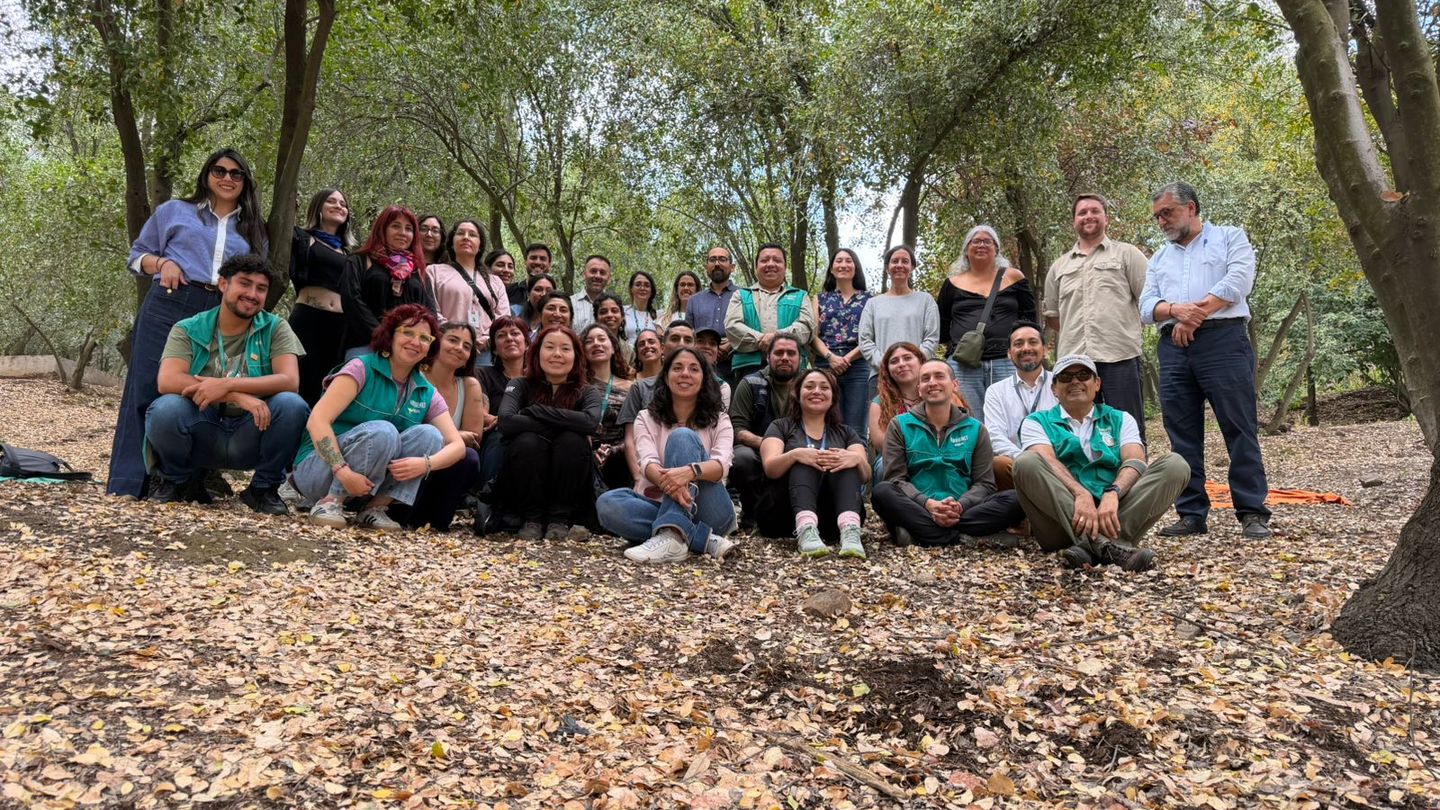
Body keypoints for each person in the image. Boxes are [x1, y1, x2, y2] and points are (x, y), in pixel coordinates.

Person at [109, 147, 270, 499]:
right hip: (172, 299)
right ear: (206, 175)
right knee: (148, 387)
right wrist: (162, 263)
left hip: (221, 309)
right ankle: (129, 483)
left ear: (245, 182)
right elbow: (137, 256)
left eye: (236, 173)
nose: (227, 178)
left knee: (206, 390)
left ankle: (185, 481)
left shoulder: (254, 229)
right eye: (219, 170)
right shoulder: (174, 211)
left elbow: (257, 277)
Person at [1140, 181, 1272, 539]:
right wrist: (1175, 313)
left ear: (1192, 208)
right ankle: (1191, 514)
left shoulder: (1230, 237)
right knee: (1181, 434)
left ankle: (1252, 512)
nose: (1162, 221)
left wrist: (1194, 316)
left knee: (1239, 426)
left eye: (1168, 212)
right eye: (1157, 216)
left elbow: (1239, 281)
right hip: (1174, 349)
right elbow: (1146, 306)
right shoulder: (1158, 258)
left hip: (1223, 342)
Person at [144, 254, 308, 514]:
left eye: (261, 288)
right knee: (165, 409)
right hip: (203, 425)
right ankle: (179, 481)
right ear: (223, 284)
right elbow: (168, 380)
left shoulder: (276, 328)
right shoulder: (188, 328)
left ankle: (262, 490)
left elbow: (289, 381)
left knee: (292, 405)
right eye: (244, 283)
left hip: (253, 428)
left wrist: (225, 385)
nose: (252, 294)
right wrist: (235, 395)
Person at [292, 305, 467, 530]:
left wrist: (425, 464)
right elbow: (317, 421)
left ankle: (374, 508)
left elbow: (457, 446)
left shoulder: (426, 390)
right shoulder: (360, 368)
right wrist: (342, 471)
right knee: (384, 431)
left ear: (429, 348)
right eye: (408, 332)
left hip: (369, 485)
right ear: (390, 335)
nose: (415, 341)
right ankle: (331, 502)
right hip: (319, 470)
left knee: (430, 435)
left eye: (424, 337)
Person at [1013, 355, 1190, 570]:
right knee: (1026, 462)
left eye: (1083, 375)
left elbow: (1135, 459)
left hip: (1115, 515)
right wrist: (1080, 493)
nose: (1075, 381)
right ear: (1054, 389)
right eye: (1066, 377)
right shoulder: (1035, 422)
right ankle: (1110, 547)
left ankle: (1088, 549)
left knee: (1176, 465)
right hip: (1060, 523)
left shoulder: (1121, 418)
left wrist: (1113, 492)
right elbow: (1046, 460)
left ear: (1097, 384)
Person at [596, 347, 736, 563]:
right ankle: (700, 539)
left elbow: (720, 466)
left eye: (693, 369)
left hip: (710, 509)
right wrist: (672, 481)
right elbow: (648, 464)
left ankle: (671, 532)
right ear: (666, 377)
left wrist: (689, 472)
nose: (685, 374)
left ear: (704, 378)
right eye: (677, 368)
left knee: (682, 437)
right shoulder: (646, 417)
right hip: (658, 502)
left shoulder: (720, 420)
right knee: (607, 503)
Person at [872, 360, 1024, 546]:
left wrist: (959, 506)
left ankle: (924, 534)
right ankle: (964, 538)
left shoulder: (976, 428)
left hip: (963, 510)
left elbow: (985, 484)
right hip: (918, 506)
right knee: (882, 492)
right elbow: (896, 479)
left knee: (1018, 498)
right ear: (919, 389)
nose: (932, 382)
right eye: (926, 378)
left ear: (955, 385)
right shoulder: (899, 425)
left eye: (939, 376)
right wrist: (928, 504)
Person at [1044, 194, 1150, 434]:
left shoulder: (1127, 255)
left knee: (1127, 429)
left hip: (1119, 357)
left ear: (1106, 218)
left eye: (1094, 211)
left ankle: (1133, 471)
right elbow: (1053, 317)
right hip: (1073, 364)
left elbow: (1148, 304)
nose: (1088, 216)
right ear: (1074, 221)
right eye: (1082, 213)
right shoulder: (1059, 266)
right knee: (1077, 429)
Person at [494, 326, 602, 540]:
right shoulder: (520, 385)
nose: (557, 354)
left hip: (572, 481)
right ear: (536, 352)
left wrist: (534, 411)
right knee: (527, 442)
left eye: (565, 348)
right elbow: (505, 422)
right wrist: (567, 422)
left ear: (576, 356)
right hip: (522, 475)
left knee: (572, 441)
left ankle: (560, 519)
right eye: (549, 347)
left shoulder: (587, 391)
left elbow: (590, 423)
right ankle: (531, 519)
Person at [761, 368, 870, 558]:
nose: (817, 391)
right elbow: (770, 468)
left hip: (831, 517)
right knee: (803, 459)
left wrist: (856, 459)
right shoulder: (780, 426)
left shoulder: (846, 433)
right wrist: (794, 455)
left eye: (824, 387)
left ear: (833, 396)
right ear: (797, 393)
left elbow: (866, 475)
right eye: (809, 386)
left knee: (847, 460)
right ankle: (806, 529)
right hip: (785, 513)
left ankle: (850, 531)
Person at [396, 321, 485, 531]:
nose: (459, 348)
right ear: (435, 344)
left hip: (443, 465)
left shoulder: (470, 385)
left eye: (466, 346)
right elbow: (404, 428)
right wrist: (455, 436)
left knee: (469, 457)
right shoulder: (413, 377)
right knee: (427, 439)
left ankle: (436, 520)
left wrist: (456, 438)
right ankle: (397, 509)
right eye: (453, 340)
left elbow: (474, 437)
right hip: (408, 459)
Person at [938, 225, 1035, 415]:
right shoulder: (951, 284)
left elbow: (1030, 319)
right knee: (969, 419)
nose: (981, 244)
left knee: (1013, 416)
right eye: (976, 241)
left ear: (996, 249)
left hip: (1007, 361)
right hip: (964, 365)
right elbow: (942, 325)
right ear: (966, 249)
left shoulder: (1014, 277)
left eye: (987, 241)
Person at [339, 206, 434, 361]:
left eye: (408, 229)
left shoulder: (417, 269)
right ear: (382, 229)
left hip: (408, 350)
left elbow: (429, 311)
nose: (402, 233)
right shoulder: (360, 260)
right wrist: (382, 335)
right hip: (366, 346)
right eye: (395, 226)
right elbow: (351, 299)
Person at [728, 334, 802, 533]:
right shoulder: (750, 383)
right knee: (740, 458)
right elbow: (737, 429)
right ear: (767, 357)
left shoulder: (810, 386)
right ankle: (751, 513)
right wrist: (770, 446)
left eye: (791, 353)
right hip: (758, 451)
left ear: (800, 358)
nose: (784, 357)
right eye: (778, 353)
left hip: (800, 451)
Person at [289, 188, 355, 406]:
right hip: (308, 319)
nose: (339, 206)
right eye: (331, 201)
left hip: (340, 326)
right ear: (318, 207)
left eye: (343, 204)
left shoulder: (349, 253)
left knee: (330, 384)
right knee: (303, 378)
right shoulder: (301, 238)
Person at [982, 321, 1057, 491]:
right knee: (998, 464)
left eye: (1033, 342)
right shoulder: (996, 391)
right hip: (1016, 464)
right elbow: (995, 437)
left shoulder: (1060, 384)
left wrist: (1050, 462)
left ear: (1044, 349)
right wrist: (1028, 461)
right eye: (1018, 344)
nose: (1026, 348)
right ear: (1009, 353)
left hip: (1059, 462)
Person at [725, 244, 816, 379]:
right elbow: (732, 327)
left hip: (791, 369)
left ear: (785, 267)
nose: (771, 264)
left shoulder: (800, 296)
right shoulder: (741, 295)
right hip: (749, 368)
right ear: (756, 267)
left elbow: (807, 328)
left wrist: (776, 338)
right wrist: (762, 339)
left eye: (777, 260)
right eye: (764, 260)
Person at [859, 244, 940, 396]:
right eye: (895, 261)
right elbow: (865, 341)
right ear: (887, 268)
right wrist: (887, 364)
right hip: (881, 376)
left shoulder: (925, 300)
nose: (899, 265)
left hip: (918, 378)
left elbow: (932, 338)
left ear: (912, 267)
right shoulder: (873, 304)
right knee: (880, 420)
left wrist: (912, 365)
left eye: (905, 261)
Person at [811, 249, 873, 439]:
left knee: (856, 428)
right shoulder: (819, 298)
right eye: (839, 261)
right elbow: (812, 336)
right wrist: (831, 357)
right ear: (831, 268)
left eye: (849, 261)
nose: (843, 264)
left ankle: (857, 465)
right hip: (825, 364)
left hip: (859, 364)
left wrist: (846, 359)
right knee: (828, 424)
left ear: (856, 268)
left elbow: (872, 337)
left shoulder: (870, 299)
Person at [427, 220, 507, 366]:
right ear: (451, 242)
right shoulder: (434, 272)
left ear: (480, 244)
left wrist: (487, 338)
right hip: (447, 347)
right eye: (460, 233)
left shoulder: (494, 281)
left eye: (472, 235)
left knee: (481, 389)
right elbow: (431, 309)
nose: (466, 237)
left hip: (485, 352)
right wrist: (457, 336)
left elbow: (503, 317)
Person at [476, 316, 528, 496]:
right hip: (496, 435)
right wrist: (506, 422)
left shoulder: (539, 379)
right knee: (501, 434)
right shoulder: (483, 374)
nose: (509, 338)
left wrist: (514, 422)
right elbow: (481, 416)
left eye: (515, 333)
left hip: (532, 437)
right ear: (494, 348)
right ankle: (488, 497)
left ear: (527, 343)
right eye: (501, 335)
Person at [581, 323, 635, 492]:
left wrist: (613, 450)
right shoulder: (576, 387)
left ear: (613, 348)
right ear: (583, 351)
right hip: (583, 453)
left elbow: (637, 430)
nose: (596, 343)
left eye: (602, 339)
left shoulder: (631, 387)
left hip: (622, 455)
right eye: (589, 341)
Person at [868, 342, 925, 463]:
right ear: (887, 370)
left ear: (921, 362)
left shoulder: (936, 395)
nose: (902, 364)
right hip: (894, 459)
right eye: (894, 361)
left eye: (907, 358)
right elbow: (881, 445)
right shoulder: (879, 403)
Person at [687, 247, 738, 379]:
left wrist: (731, 345)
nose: (717, 264)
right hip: (701, 371)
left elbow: (752, 329)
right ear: (706, 267)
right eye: (712, 259)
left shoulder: (744, 296)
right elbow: (688, 336)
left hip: (736, 369)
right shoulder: (694, 300)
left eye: (722, 259)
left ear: (732, 267)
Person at [592, 293, 636, 367]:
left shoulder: (629, 351)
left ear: (622, 317)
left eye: (614, 311)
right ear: (596, 318)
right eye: (603, 312)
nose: (609, 315)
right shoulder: (588, 346)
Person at [570, 254, 613, 330]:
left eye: (602, 273)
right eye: (593, 271)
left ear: (609, 278)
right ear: (584, 274)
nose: (597, 276)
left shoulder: (614, 309)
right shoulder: (569, 303)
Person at [624, 271, 659, 336]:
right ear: (631, 289)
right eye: (638, 285)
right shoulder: (622, 311)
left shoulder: (659, 316)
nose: (642, 288)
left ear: (651, 291)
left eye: (647, 285)